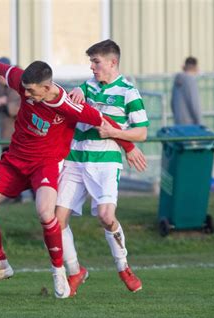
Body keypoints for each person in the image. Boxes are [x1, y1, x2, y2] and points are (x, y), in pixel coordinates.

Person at [0, 47, 141, 299]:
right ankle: (0, 265)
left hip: (45, 163)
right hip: (14, 160)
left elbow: (103, 121)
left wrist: (128, 147)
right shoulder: (23, 82)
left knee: (45, 212)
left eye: (31, 91)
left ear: (47, 86)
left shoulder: (68, 106)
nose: (25, 95)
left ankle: (59, 272)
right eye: (24, 89)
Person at [56, 39, 148, 296]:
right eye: (91, 62)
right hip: (75, 159)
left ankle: (123, 267)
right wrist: (76, 91)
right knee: (56, 220)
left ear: (112, 62)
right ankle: (75, 271)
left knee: (107, 217)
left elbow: (141, 133)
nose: (92, 68)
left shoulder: (129, 92)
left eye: (96, 62)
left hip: (105, 162)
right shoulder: (88, 85)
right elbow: (79, 97)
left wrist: (115, 132)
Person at [171, 57, 202, 125]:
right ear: (195, 67)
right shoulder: (191, 80)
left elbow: (172, 104)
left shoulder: (177, 80)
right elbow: (194, 104)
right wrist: (199, 123)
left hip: (178, 123)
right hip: (191, 125)